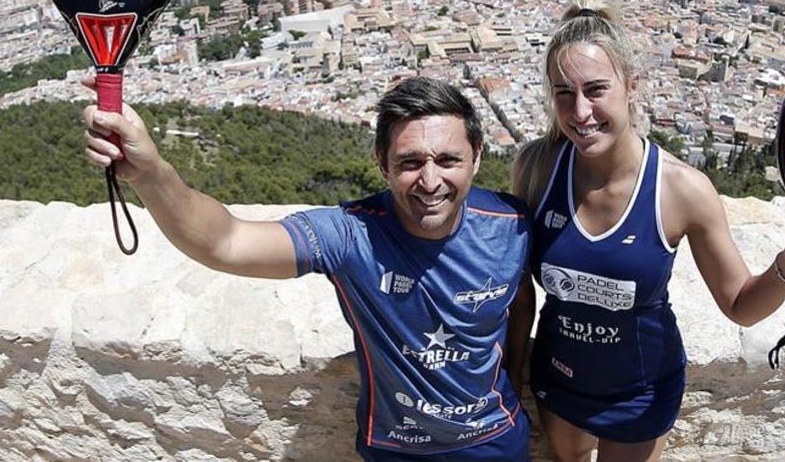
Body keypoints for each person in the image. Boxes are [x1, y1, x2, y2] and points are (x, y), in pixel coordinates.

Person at [82, 76, 531, 461]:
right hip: (397, 448)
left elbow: (521, 301)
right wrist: (151, 173)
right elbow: (224, 241)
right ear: (382, 164)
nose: (430, 181)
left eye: (448, 160)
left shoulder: (510, 226)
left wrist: (514, 377)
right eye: (410, 162)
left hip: (493, 440)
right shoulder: (350, 236)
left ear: (476, 156)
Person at [507, 0, 785, 462]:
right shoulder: (538, 168)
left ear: (632, 86)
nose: (580, 111)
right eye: (564, 93)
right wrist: (508, 377)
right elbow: (518, 291)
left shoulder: (680, 189)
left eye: (596, 90)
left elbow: (740, 305)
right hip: (557, 379)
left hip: (640, 392)